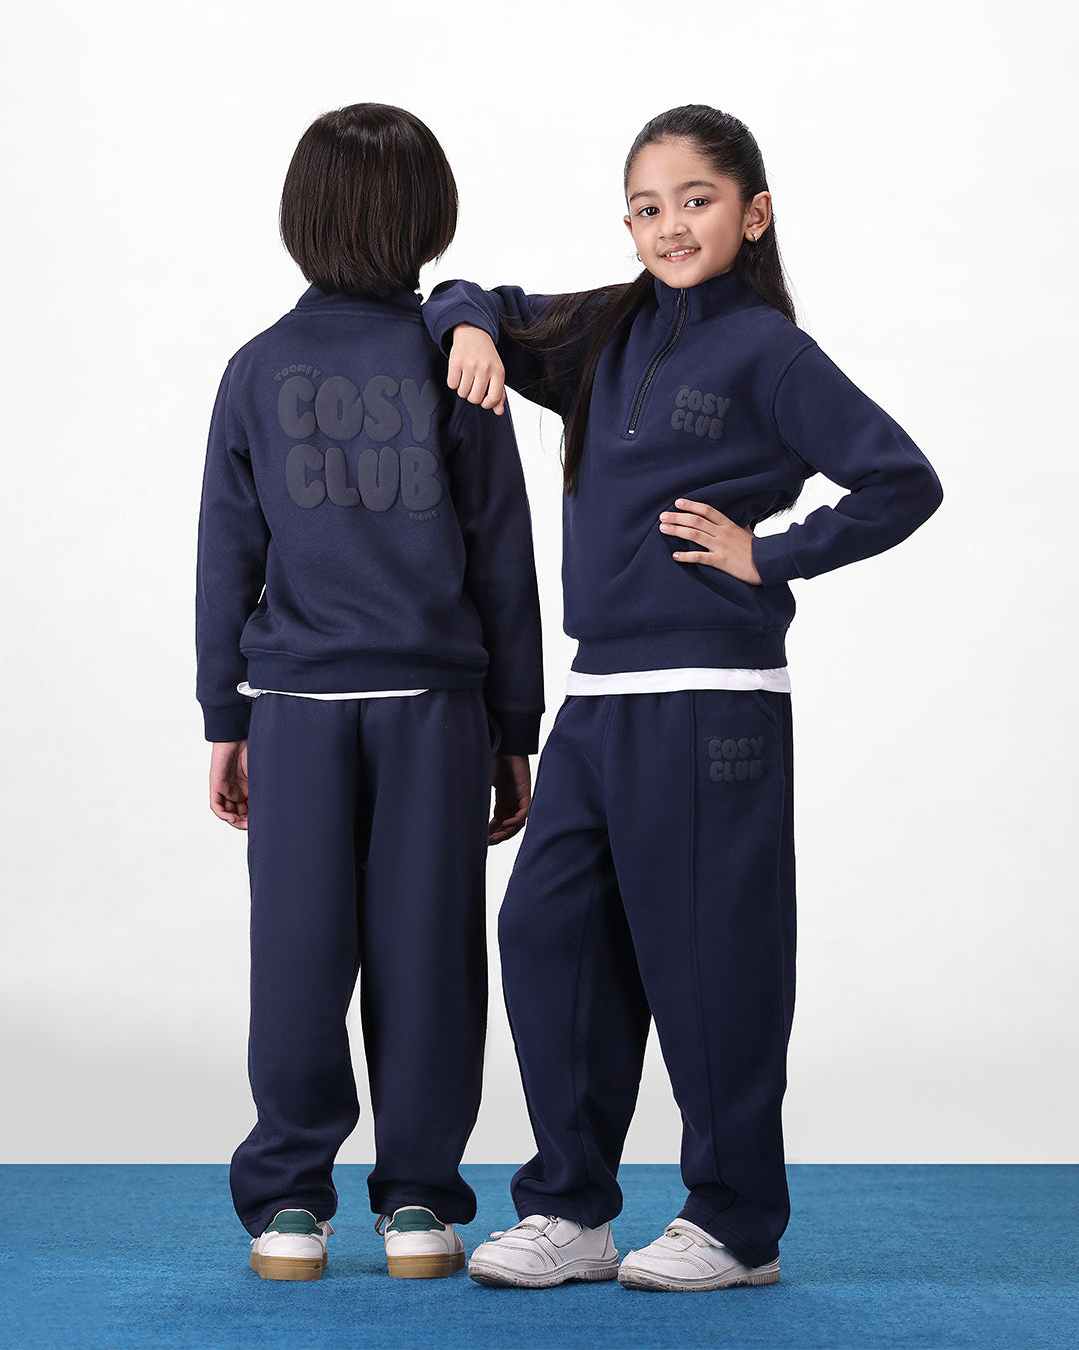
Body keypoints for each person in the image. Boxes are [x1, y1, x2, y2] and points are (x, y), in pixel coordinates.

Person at [422, 103, 942, 1293]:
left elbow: (903, 480)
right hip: (598, 699)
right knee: (547, 934)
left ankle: (736, 1223)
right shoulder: (605, 329)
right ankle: (572, 1210)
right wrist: (473, 330)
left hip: (713, 702)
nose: (669, 225)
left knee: (711, 960)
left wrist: (774, 553)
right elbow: (464, 295)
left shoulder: (771, 353)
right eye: (646, 208)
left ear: (753, 215)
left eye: (695, 201)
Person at [195, 103, 543, 1283]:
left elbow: (226, 557)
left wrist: (226, 717)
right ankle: (419, 1206)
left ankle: (291, 1206)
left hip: (295, 708)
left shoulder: (254, 370)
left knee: (296, 953)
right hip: (435, 709)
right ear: (428, 217)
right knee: (429, 954)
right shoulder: (460, 364)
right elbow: (502, 557)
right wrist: (514, 729)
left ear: (301, 219)